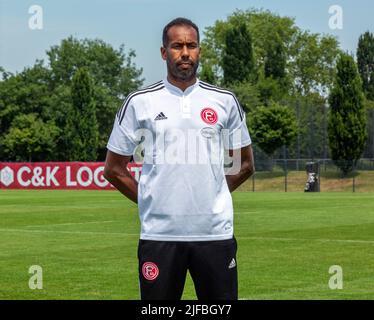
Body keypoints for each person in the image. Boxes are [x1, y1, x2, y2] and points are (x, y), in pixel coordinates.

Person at [104, 17, 255, 300]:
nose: (185, 52)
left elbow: (245, 164)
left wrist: (213, 194)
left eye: (191, 45)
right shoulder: (140, 102)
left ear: (199, 50)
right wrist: (152, 199)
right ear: (164, 52)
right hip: (159, 236)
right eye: (177, 46)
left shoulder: (224, 100)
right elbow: (113, 169)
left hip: (214, 234)